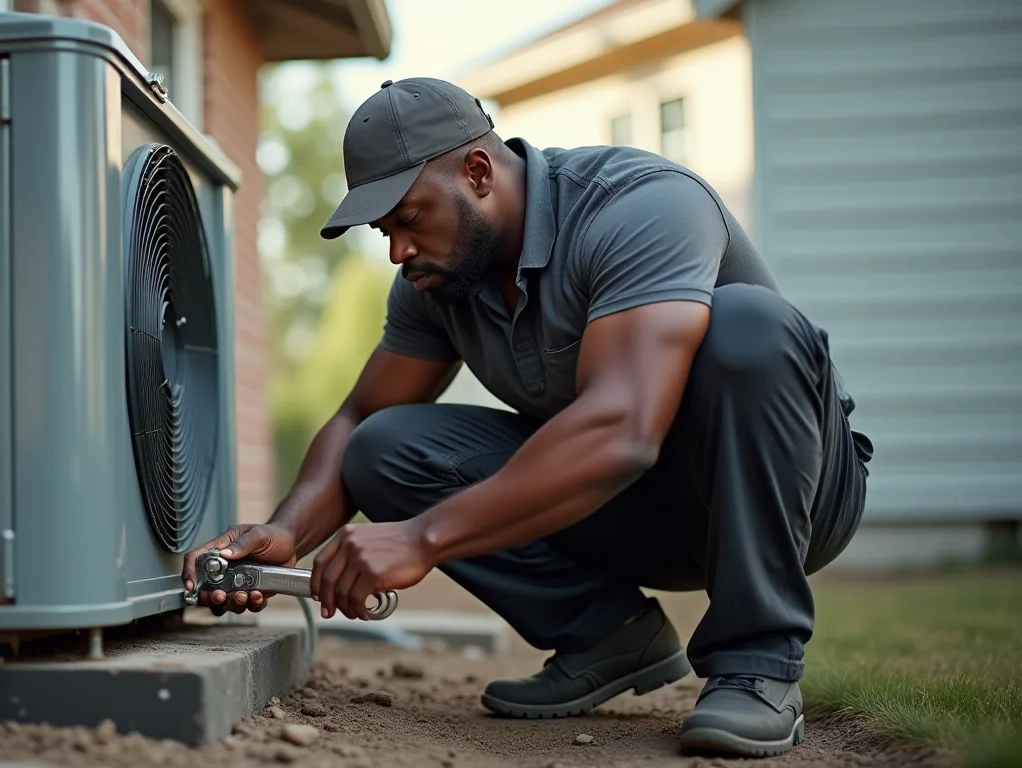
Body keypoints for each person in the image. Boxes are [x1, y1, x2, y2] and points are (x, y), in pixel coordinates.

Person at [181, 77, 873, 759]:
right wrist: (286, 532)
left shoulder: (640, 206)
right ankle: (609, 636)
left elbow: (623, 427)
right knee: (381, 445)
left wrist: (421, 539)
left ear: (478, 172)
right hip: (636, 508)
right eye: (384, 231)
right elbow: (362, 411)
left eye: (410, 218)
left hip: (793, 492)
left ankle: (757, 664)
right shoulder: (438, 281)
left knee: (749, 325)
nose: (397, 252)